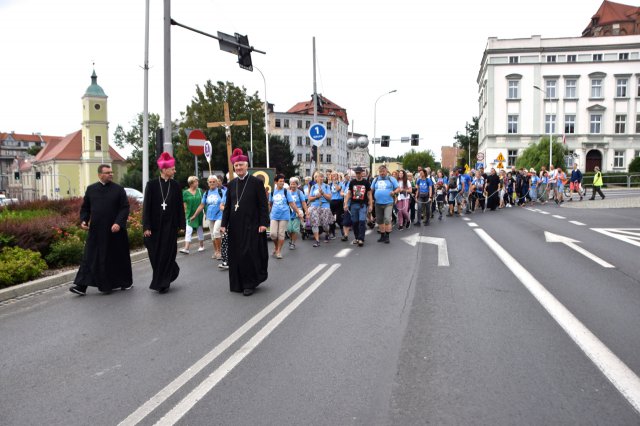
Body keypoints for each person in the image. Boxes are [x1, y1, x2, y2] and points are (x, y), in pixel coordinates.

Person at [70, 164, 133, 296]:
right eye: (108, 172)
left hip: (115, 231)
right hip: (97, 230)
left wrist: (118, 223)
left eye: (111, 172)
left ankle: (124, 282)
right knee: (90, 257)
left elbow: (124, 208)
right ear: (100, 175)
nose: (111, 174)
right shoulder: (91, 189)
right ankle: (81, 286)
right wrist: (84, 220)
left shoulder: (118, 189)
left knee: (117, 257)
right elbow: (85, 208)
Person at [220, 148, 270, 296]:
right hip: (235, 227)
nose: (239, 168)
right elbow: (228, 206)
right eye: (236, 166)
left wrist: (263, 223)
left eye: (241, 165)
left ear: (246, 165)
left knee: (248, 254)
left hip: (251, 225)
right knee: (236, 255)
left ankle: (249, 284)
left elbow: (263, 205)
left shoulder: (256, 183)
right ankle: (238, 283)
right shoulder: (231, 184)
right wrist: (223, 224)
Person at [142, 152, 185, 294]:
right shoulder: (152, 185)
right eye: (172, 169)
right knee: (156, 254)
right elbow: (146, 207)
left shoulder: (175, 185)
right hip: (155, 227)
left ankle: (162, 283)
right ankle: (170, 273)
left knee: (168, 253)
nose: (174, 171)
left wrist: (182, 225)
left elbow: (179, 206)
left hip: (170, 226)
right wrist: (146, 226)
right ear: (164, 170)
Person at [191, 175, 226, 260]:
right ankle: (216, 251)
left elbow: (224, 204)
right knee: (212, 235)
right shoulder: (206, 193)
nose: (212, 183)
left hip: (220, 215)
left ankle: (220, 252)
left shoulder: (222, 192)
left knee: (216, 232)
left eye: (214, 181)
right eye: (210, 182)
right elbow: (202, 205)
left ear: (217, 182)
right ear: (208, 183)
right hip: (210, 216)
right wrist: (195, 215)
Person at [269, 174, 304, 259]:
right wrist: (269, 212)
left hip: (284, 215)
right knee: (273, 234)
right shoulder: (272, 192)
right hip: (274, 215)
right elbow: (270, 204)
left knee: (281, 234)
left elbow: (292, 203)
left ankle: (279, 251)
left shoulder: (286, 192)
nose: (282, 183)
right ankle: (276, 246)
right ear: (276, 182)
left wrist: (298, 212)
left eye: (283, 181)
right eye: (280, 181)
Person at [344, 166, 373, 246]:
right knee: (355, 222)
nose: (358, 174)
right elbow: (349, 193)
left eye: (359, 173)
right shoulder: (352, 182)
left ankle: (361, 239)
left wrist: (370, 205)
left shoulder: (366, 182)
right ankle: (357, 237)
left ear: (362, 173)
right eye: (356, 173)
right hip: (353, 205)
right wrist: (346, 203)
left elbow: (369, 194)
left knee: (362, 221)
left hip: (362, 205)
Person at [372, 165, 399, 243]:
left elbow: (398, 188)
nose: (382, 173)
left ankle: (387, 236)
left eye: (383, 171)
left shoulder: (391, 179)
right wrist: (370, 200)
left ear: (386, 171)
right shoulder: (376, 179)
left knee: (387, 219)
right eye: (380, 172)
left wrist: (394, 192)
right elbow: (371, 190)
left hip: (388, 202)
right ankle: (382, 236)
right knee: (379, 220)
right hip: (378, 203)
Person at [307, 171, 334, 247]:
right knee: (315, 223)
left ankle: (327, 233)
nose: (320, 178)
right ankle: (317, 240)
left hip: (325, 206)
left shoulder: (326, 186)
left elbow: (329, 198)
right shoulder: (313, 187)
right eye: (318, 176)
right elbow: (309, 198)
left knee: (325, 224)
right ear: (315, 178)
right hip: (315, 206)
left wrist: (323, 194)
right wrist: (316, 197)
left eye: (322, 176)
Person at [180, 176, 205, 254]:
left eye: (197, 181)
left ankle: (201, 245)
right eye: (195, 182)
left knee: (199, 229)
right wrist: (184, 213)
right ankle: (186, 248)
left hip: (199, 213)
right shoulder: (185, 193)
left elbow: (203, 202)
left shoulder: (200, 191)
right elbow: (183, 204)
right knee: (188, 230)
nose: (197, 183)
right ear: (191, 183)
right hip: (189, 214)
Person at [286, 177, 309, 250]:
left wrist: (306, 212)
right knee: (289, 229)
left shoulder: (299, 192)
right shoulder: (287, 192)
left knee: (295, 229)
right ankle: (291, 239)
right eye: (291, 184)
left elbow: (303, 203)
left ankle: (293, 243)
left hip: (297, 213)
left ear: (297, 185)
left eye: (294, 184)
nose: (292, 186)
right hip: (288, 212)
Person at [328, 171, 345, 239]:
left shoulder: (341, 183)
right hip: (332, 202)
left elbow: (338, 189)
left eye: (335, 175)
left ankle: (342, 231)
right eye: (332, 176)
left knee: (339, 218)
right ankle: (332, 233)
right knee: (331, 218)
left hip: (339, 201)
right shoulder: (329, 185)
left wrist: (335, 182)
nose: (334, 177)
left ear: (337, 176)